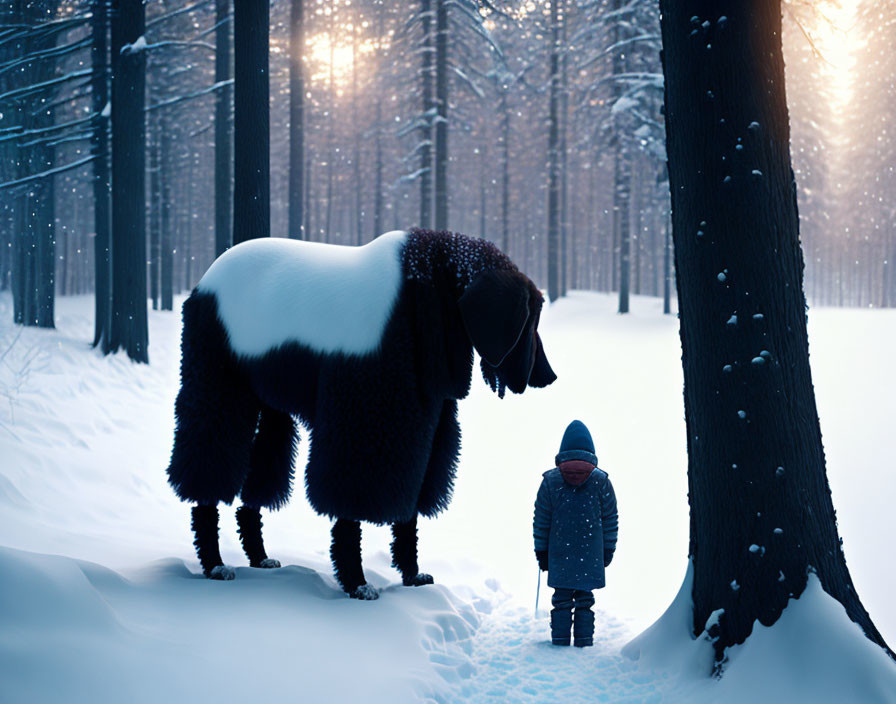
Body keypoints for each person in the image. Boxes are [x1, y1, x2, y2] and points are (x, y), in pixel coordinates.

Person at [533, 420, 618, 647]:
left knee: (561, 600)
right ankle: (584, 642)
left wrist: (541, 550)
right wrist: (608, 548)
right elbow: (610, 520)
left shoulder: (551, 481)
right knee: (585, 600)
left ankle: (559, 642)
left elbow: (541, 521)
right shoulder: (601, 481)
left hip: (559, 552)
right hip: (590, 554)